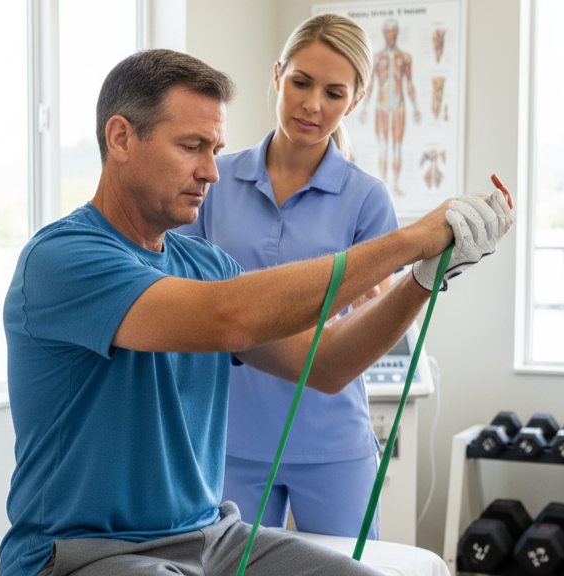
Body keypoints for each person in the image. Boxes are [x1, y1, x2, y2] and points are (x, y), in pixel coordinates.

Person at [0, 48, 513, 576]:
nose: (211, 172)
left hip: (210, 536)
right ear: (121, 137)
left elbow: (328, 364)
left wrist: (423, 278)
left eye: (215, 148)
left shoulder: (206, 263)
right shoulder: (62, 259)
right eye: (192, 147)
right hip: (85, 551)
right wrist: (410, 240)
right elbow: (230, 317)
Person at [174, 13, 395, 538]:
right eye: (301, 82)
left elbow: (378, 323)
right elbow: (182, 296)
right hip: (228, 437)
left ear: (355, 101)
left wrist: (373, 305)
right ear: (277, 76)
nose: (312, 105)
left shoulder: (367, 200)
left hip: (333, 442)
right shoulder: (215, 179)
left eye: (334, 93)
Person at [359, 18, 421, 196]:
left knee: (397, 147)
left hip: (399, 106)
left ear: (397, 34)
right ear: (385, 35)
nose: (391, 36)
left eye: (394, 32)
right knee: (383, 147)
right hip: (382, 106)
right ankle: (384, 186)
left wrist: (416, 107)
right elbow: (370, 84)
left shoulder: (405, 58)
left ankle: (395, 185)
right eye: (389, 32)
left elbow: (409, 83)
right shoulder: (377, 58)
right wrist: (363, 108)